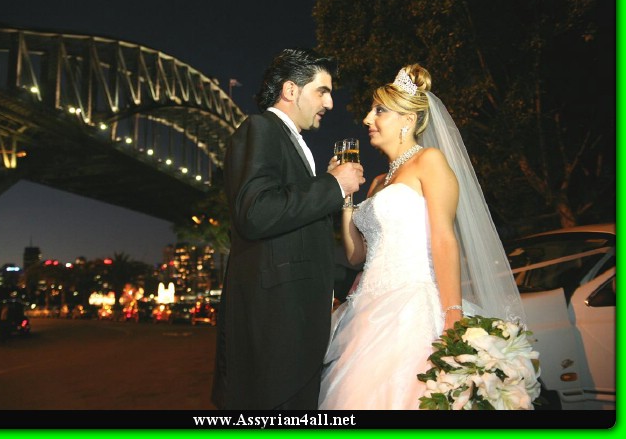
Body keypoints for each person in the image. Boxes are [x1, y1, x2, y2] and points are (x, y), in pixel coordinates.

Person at [318, 64, 525, 410]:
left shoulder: (429, 161)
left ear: (408, 120)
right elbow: (356, 256)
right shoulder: (378, 182)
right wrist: (346, 197)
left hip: (412, 306)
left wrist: (453, 313)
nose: (368, 119)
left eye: (379, 111)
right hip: (368, 311)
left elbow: (444, 239)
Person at [211, 48, 366, 410]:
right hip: (276, 326)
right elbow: (255, 212)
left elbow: (294, 229)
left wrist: (327, 185)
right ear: (290, 90)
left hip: (296, 323)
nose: (329, 103)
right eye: (322, 91)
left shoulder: (291, 140)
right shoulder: (260, 128)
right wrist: (333, 185)